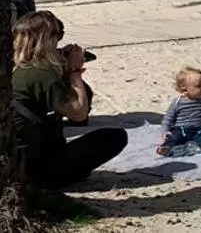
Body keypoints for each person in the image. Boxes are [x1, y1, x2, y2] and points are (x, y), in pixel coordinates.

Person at [11, 11, 128, 189]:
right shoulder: (42, 74)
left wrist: (62, 69)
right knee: (114, 137)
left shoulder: (19, 67)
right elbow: (79, 113)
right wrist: (74, 71)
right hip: (35, 168)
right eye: (58, 35)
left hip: (20, 160)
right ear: (47, 39)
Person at [158, 66, 201, 156]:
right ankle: (166, 148)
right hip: (180, 129)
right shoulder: (177, 102)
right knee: (172, 138)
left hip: (198, 130)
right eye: (199, 86)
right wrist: (165, 131)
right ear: (185, 89)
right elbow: (168, 118)